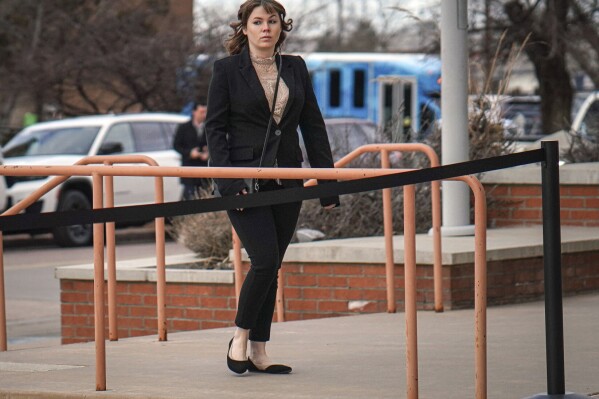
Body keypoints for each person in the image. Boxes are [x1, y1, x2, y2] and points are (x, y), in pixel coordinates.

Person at [205, 0, 339, 375]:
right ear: (244, 28)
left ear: (282, 27)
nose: (266, 28)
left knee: (273, 265)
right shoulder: (227, 70)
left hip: (289, 178)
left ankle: (260, 351)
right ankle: (240, 336)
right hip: (245, 182)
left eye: (272, 21)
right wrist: (227, 183)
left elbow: (312, 125)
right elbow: (215, 130)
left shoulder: (294, 67)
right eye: (258, 21)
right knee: (263, 260)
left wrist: (327, 183)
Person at [173, 102, 210, 200]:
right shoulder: (184, 127)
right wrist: (189, 153)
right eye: (201, 112)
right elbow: (176, 145)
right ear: (194, 112)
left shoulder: (209, 128)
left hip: (205, 171)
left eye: (206, 112)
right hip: (189, 169)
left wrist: (208, 153)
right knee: (189, 197)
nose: (204, 115)